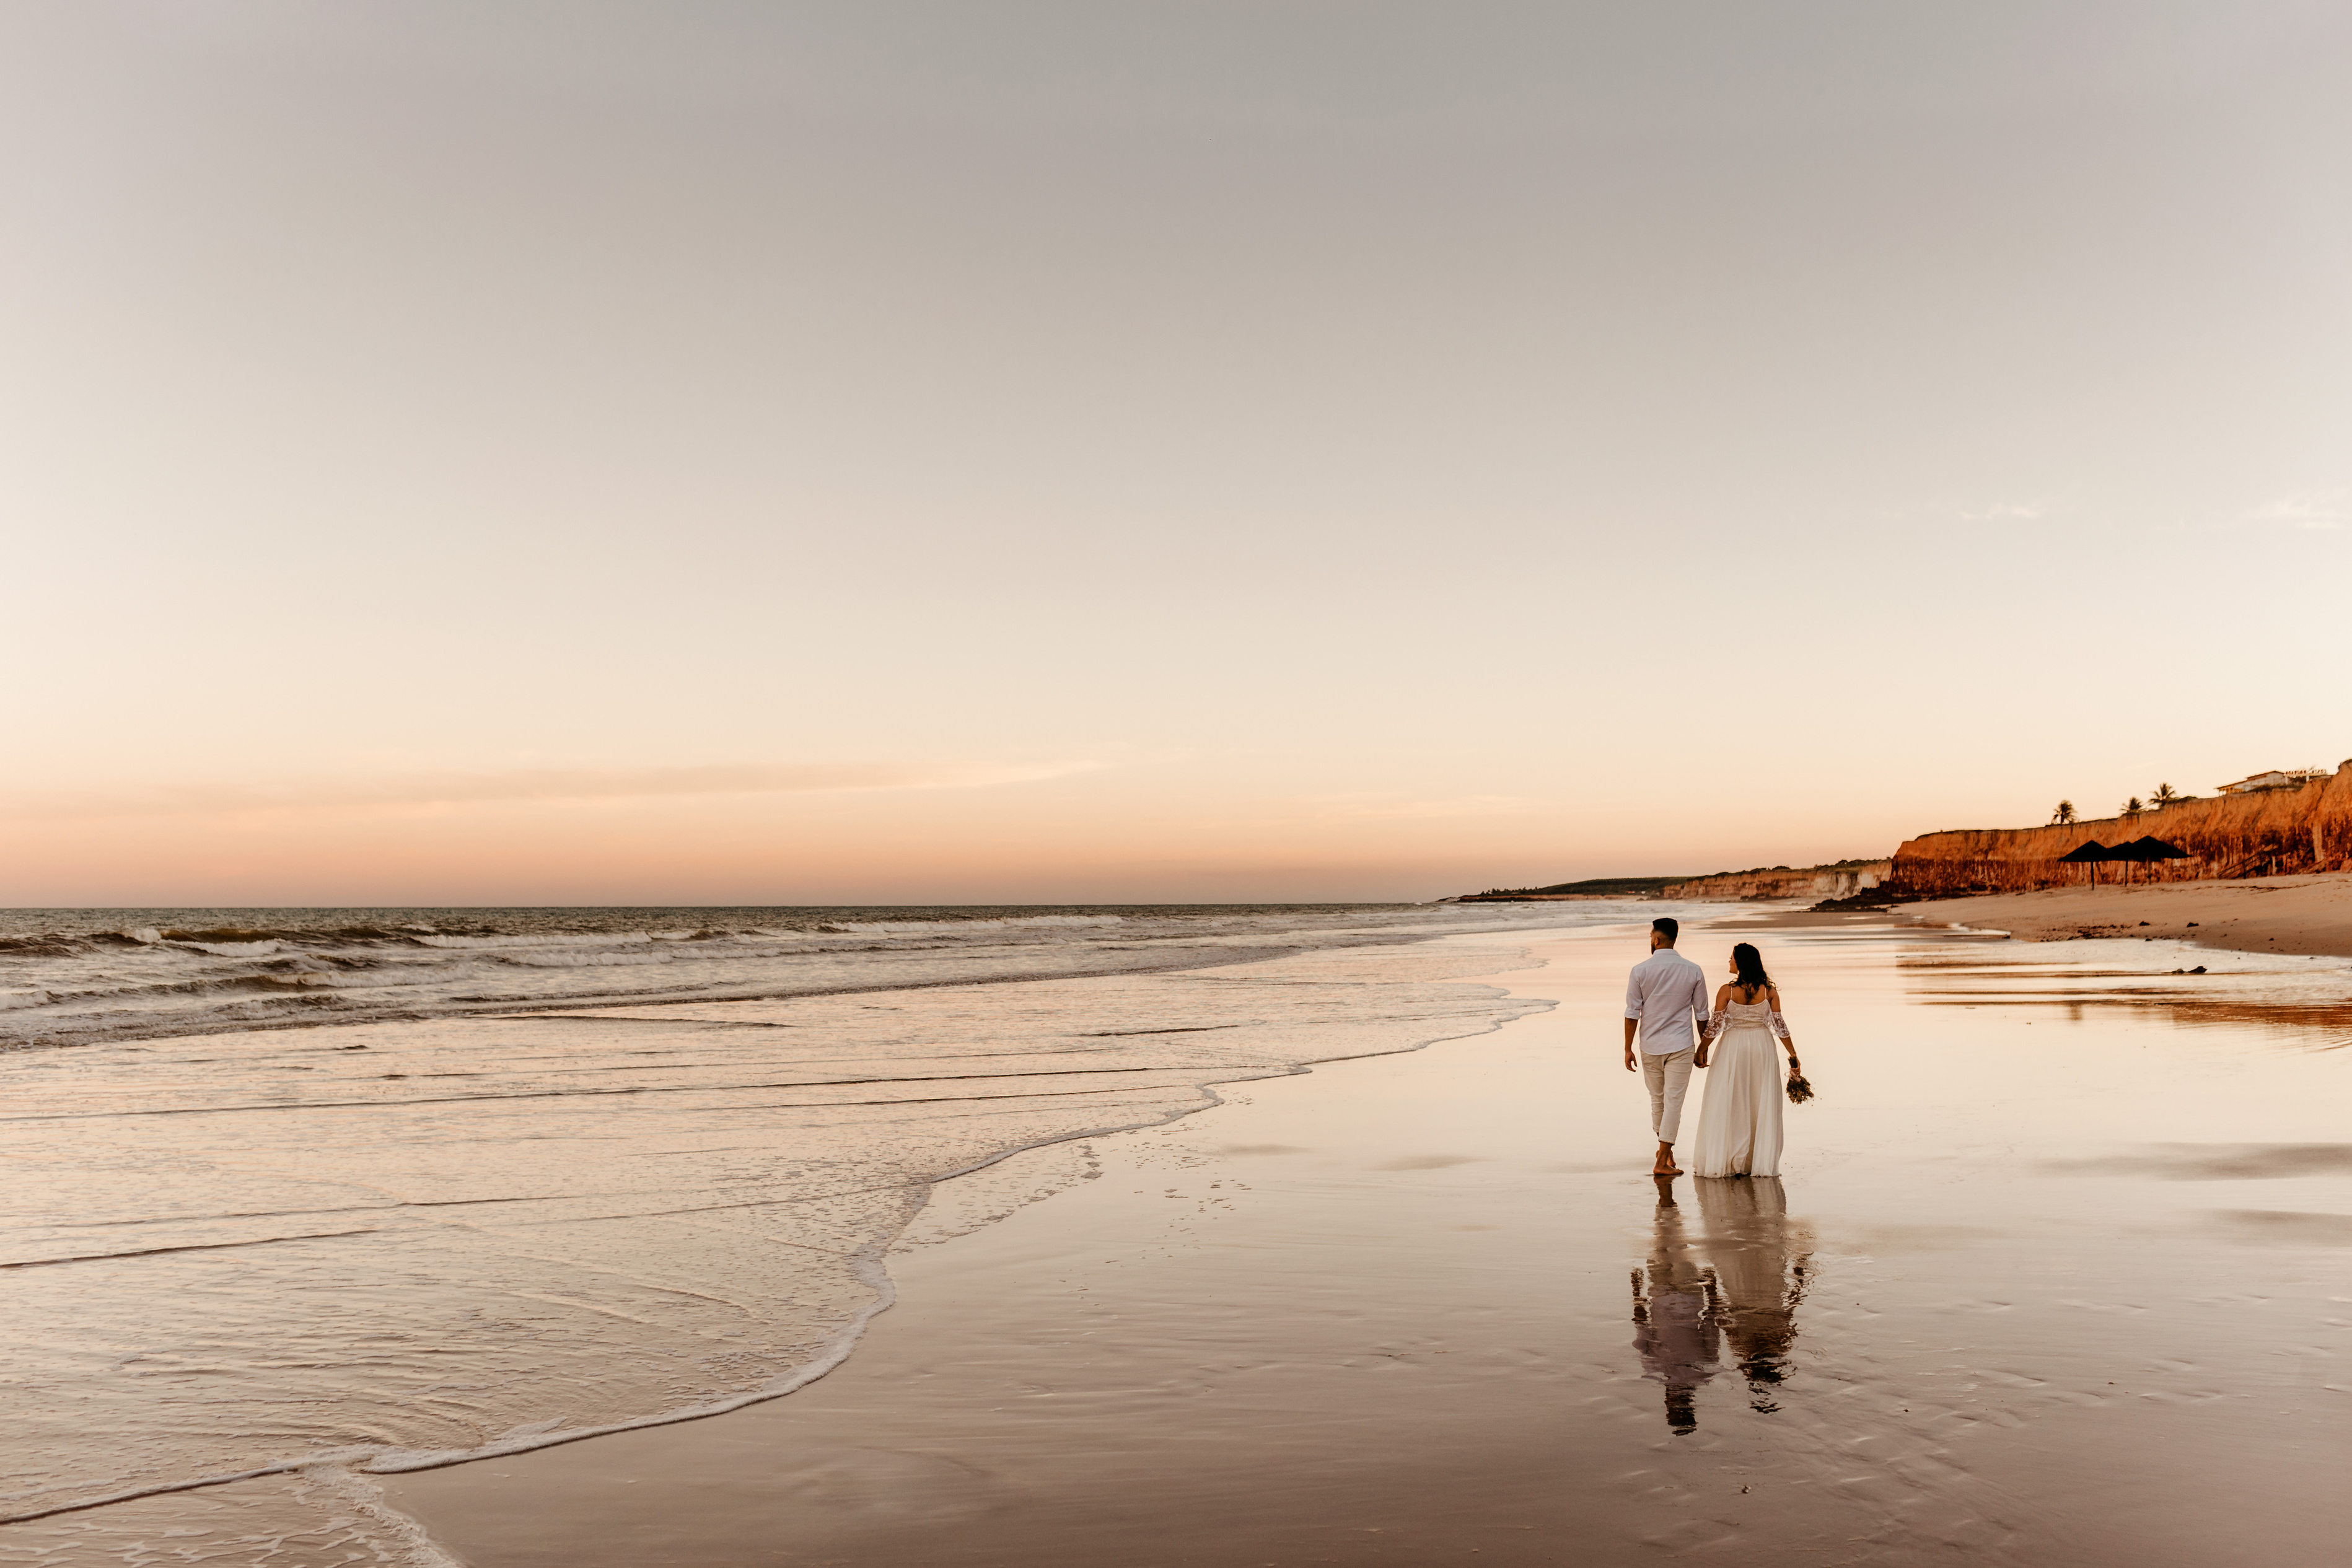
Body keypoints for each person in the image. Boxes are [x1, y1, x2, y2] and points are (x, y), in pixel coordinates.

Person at [1689, 942, 1802, 1178]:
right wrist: (1793, 1055)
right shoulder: (1769, 992)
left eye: (1731, 958)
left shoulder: (1727, 991)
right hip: (1762, 1048)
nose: (1729, 961)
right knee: (1758, 1101)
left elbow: (1715, 1027)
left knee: (1731, 1099)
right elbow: (1781, 1027)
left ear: (1740, 963)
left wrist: (1701, 1049)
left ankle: (1731, 1158)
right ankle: (1754, 1160)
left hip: (1733, 1049)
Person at [1623, 916, 1713, 1175]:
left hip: (1650, 1045)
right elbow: (1702, 1014)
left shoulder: (1640, 970)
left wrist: (1627, 1048)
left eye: (1651, 935)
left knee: (1658, 1101)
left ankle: (1663, 1155)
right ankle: (1664, 1156)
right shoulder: (1693, 970)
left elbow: (1632, 1013)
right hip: (1682, 1044)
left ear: (1656, 939)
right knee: (1673, 1103)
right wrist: (1702, 1048)